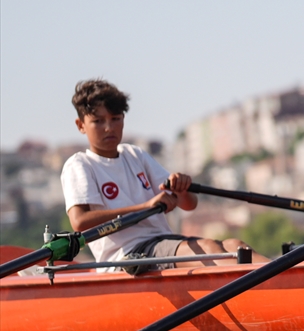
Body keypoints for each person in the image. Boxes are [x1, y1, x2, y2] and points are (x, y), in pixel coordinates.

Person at [61, 79, 267, 271]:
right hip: (126, 257)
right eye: (98, 121)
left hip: (162, 242)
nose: (109, 127)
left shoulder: (135, 155)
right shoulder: (80, 165)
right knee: (211, 249)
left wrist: (182, 188)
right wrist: (144, 207)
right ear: (81, 125)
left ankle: (295, 279)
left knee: (236, 246)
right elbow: (80, 222)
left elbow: (188, 204)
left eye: (115, 119)